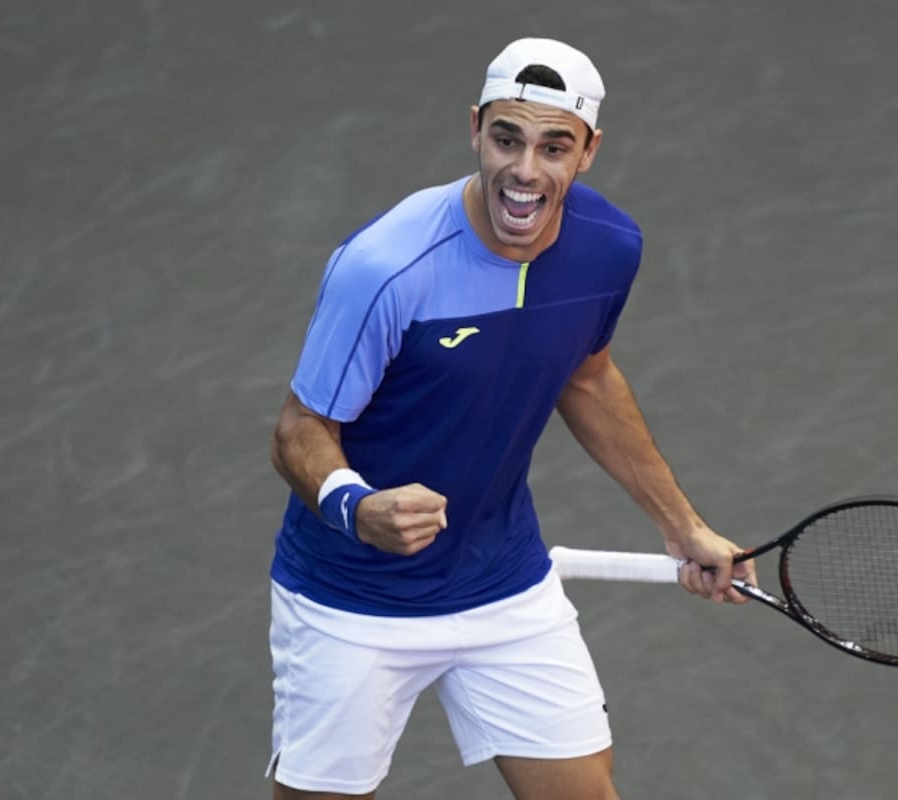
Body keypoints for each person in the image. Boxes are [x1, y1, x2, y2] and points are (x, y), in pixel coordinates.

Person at [265, 36, 757, 800]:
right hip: (353, 601)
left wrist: (681, 524)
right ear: (475, 130)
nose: (525, 172)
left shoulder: (608, 248)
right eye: (507, 139)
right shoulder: (385, 267)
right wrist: (356, 508)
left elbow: (587, 380)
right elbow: (299, 429)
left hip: (503, 584)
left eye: (554, 147)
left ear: (589, 151)